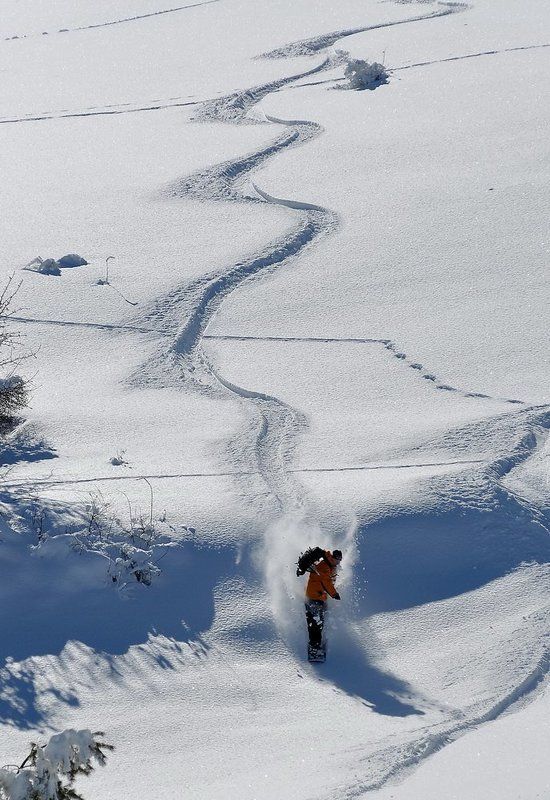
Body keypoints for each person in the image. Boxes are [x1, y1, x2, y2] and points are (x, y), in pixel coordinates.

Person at [304, 549, 342, 650]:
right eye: (337, 560)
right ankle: (315, 647)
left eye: (339, 561)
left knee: (317, 621)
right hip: (315, 597)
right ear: (332, 558)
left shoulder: (328, 565)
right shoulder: (324, 566)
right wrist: (334, 594)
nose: (338, 563)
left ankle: (316, 642)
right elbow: (326, 582)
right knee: (316, 623)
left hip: (317, 597)